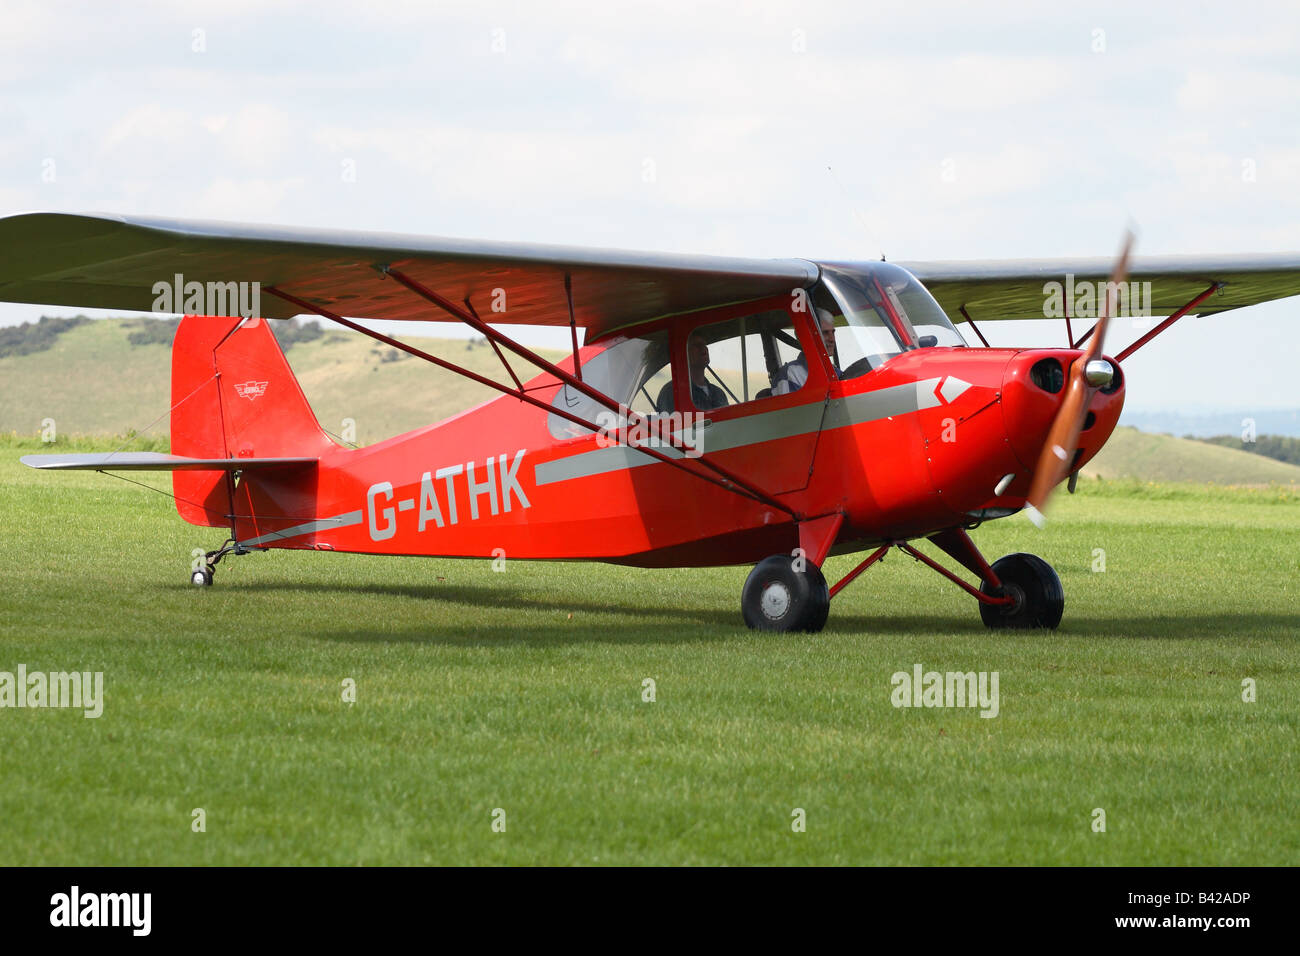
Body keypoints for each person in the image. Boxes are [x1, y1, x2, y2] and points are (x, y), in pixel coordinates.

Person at [657, 331, 727, 411]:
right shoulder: (672, 393)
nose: (703, 348)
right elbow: (674, 422)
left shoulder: (718, 393)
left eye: (704, 344)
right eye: (697, 345)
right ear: (682, 354)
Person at [772, 309, 838, 396]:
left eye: (832, 332)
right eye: (825, 333)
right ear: (806, 337)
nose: (832, 339)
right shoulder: (790, 374)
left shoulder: (836, 372)